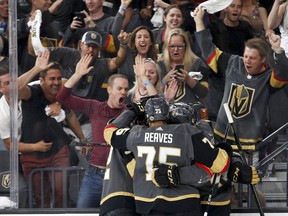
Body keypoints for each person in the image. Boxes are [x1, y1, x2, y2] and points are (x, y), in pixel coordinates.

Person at [103, 97, 232, 215]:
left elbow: (109, 132)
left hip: (149, 206)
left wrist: (134, 109)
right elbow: (221, 164)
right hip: (186, 203)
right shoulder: (188, 133)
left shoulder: (136, 135)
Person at [193, 6, 288, 148]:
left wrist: (278, 50)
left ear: (263, 60)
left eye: (252, 58)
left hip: (251, 145)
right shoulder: (233, 63)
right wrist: (199, 21)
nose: (247, 61)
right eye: (245, 56)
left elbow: (284, 72)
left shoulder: (269, 77)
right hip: (223, 137)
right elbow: (208, 49)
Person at [29, 28, 129, 144]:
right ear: (81, 45)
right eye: (88, 45)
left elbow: (118, 61)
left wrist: (123, 45)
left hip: (85, 124)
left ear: (100, 49)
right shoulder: (67, 54)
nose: (91, 50)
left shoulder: (101, 65)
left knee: (83, 156)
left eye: (95, 47)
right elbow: (35, 51)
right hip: (60, 117)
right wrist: (33, 28)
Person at [56, 54, 129, 208]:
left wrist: (145, 79)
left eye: (126, 89)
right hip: (94, 174)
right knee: (82, 212)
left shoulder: (130, 112)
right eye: (119, 88)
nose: (123, 92)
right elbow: (62, 98)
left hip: (119, 175)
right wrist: (77, 74)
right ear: (109, 90)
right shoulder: (95, 107)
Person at [18, 55, 84, 208]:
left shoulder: (62, 92)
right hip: (32, 156)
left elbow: (71, 115)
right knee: (41, 200)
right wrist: (36, 68)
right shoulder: (31, 92)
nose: (56, 82)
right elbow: (14, 89)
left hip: (58, 152)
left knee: (61, 193)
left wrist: (83, 139)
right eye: (51, 79)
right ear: (41, 81)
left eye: (58, 78)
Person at [204, 0, 254, 121]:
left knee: (238, 116)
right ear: (225, 8)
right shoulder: (214, 26)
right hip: (218, 76)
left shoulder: (245, 27)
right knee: (215, 116)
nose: (236, 9)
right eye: (232, 6)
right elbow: (207, 48)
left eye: (239, 7)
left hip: (239, 77)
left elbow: (252, 49)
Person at [61, 0, 133, 58]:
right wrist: (70, 30)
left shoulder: (112, 21)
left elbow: (115, 47)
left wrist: (94, 27)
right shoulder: (80, 23)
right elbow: (63, 49)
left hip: (103, 70)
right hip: (80, 68)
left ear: (103, 1)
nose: (90, 1)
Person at [159, 28, 210, 107]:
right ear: (167, 48)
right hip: (167, 111)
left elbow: (204, 93)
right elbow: (153, 94)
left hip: (192, 111)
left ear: (186, 47)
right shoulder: (160, 65)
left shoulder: (197, 63)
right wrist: (164, 81)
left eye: (180, 46)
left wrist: (188, 79)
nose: (176, 50)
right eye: (172, 46)